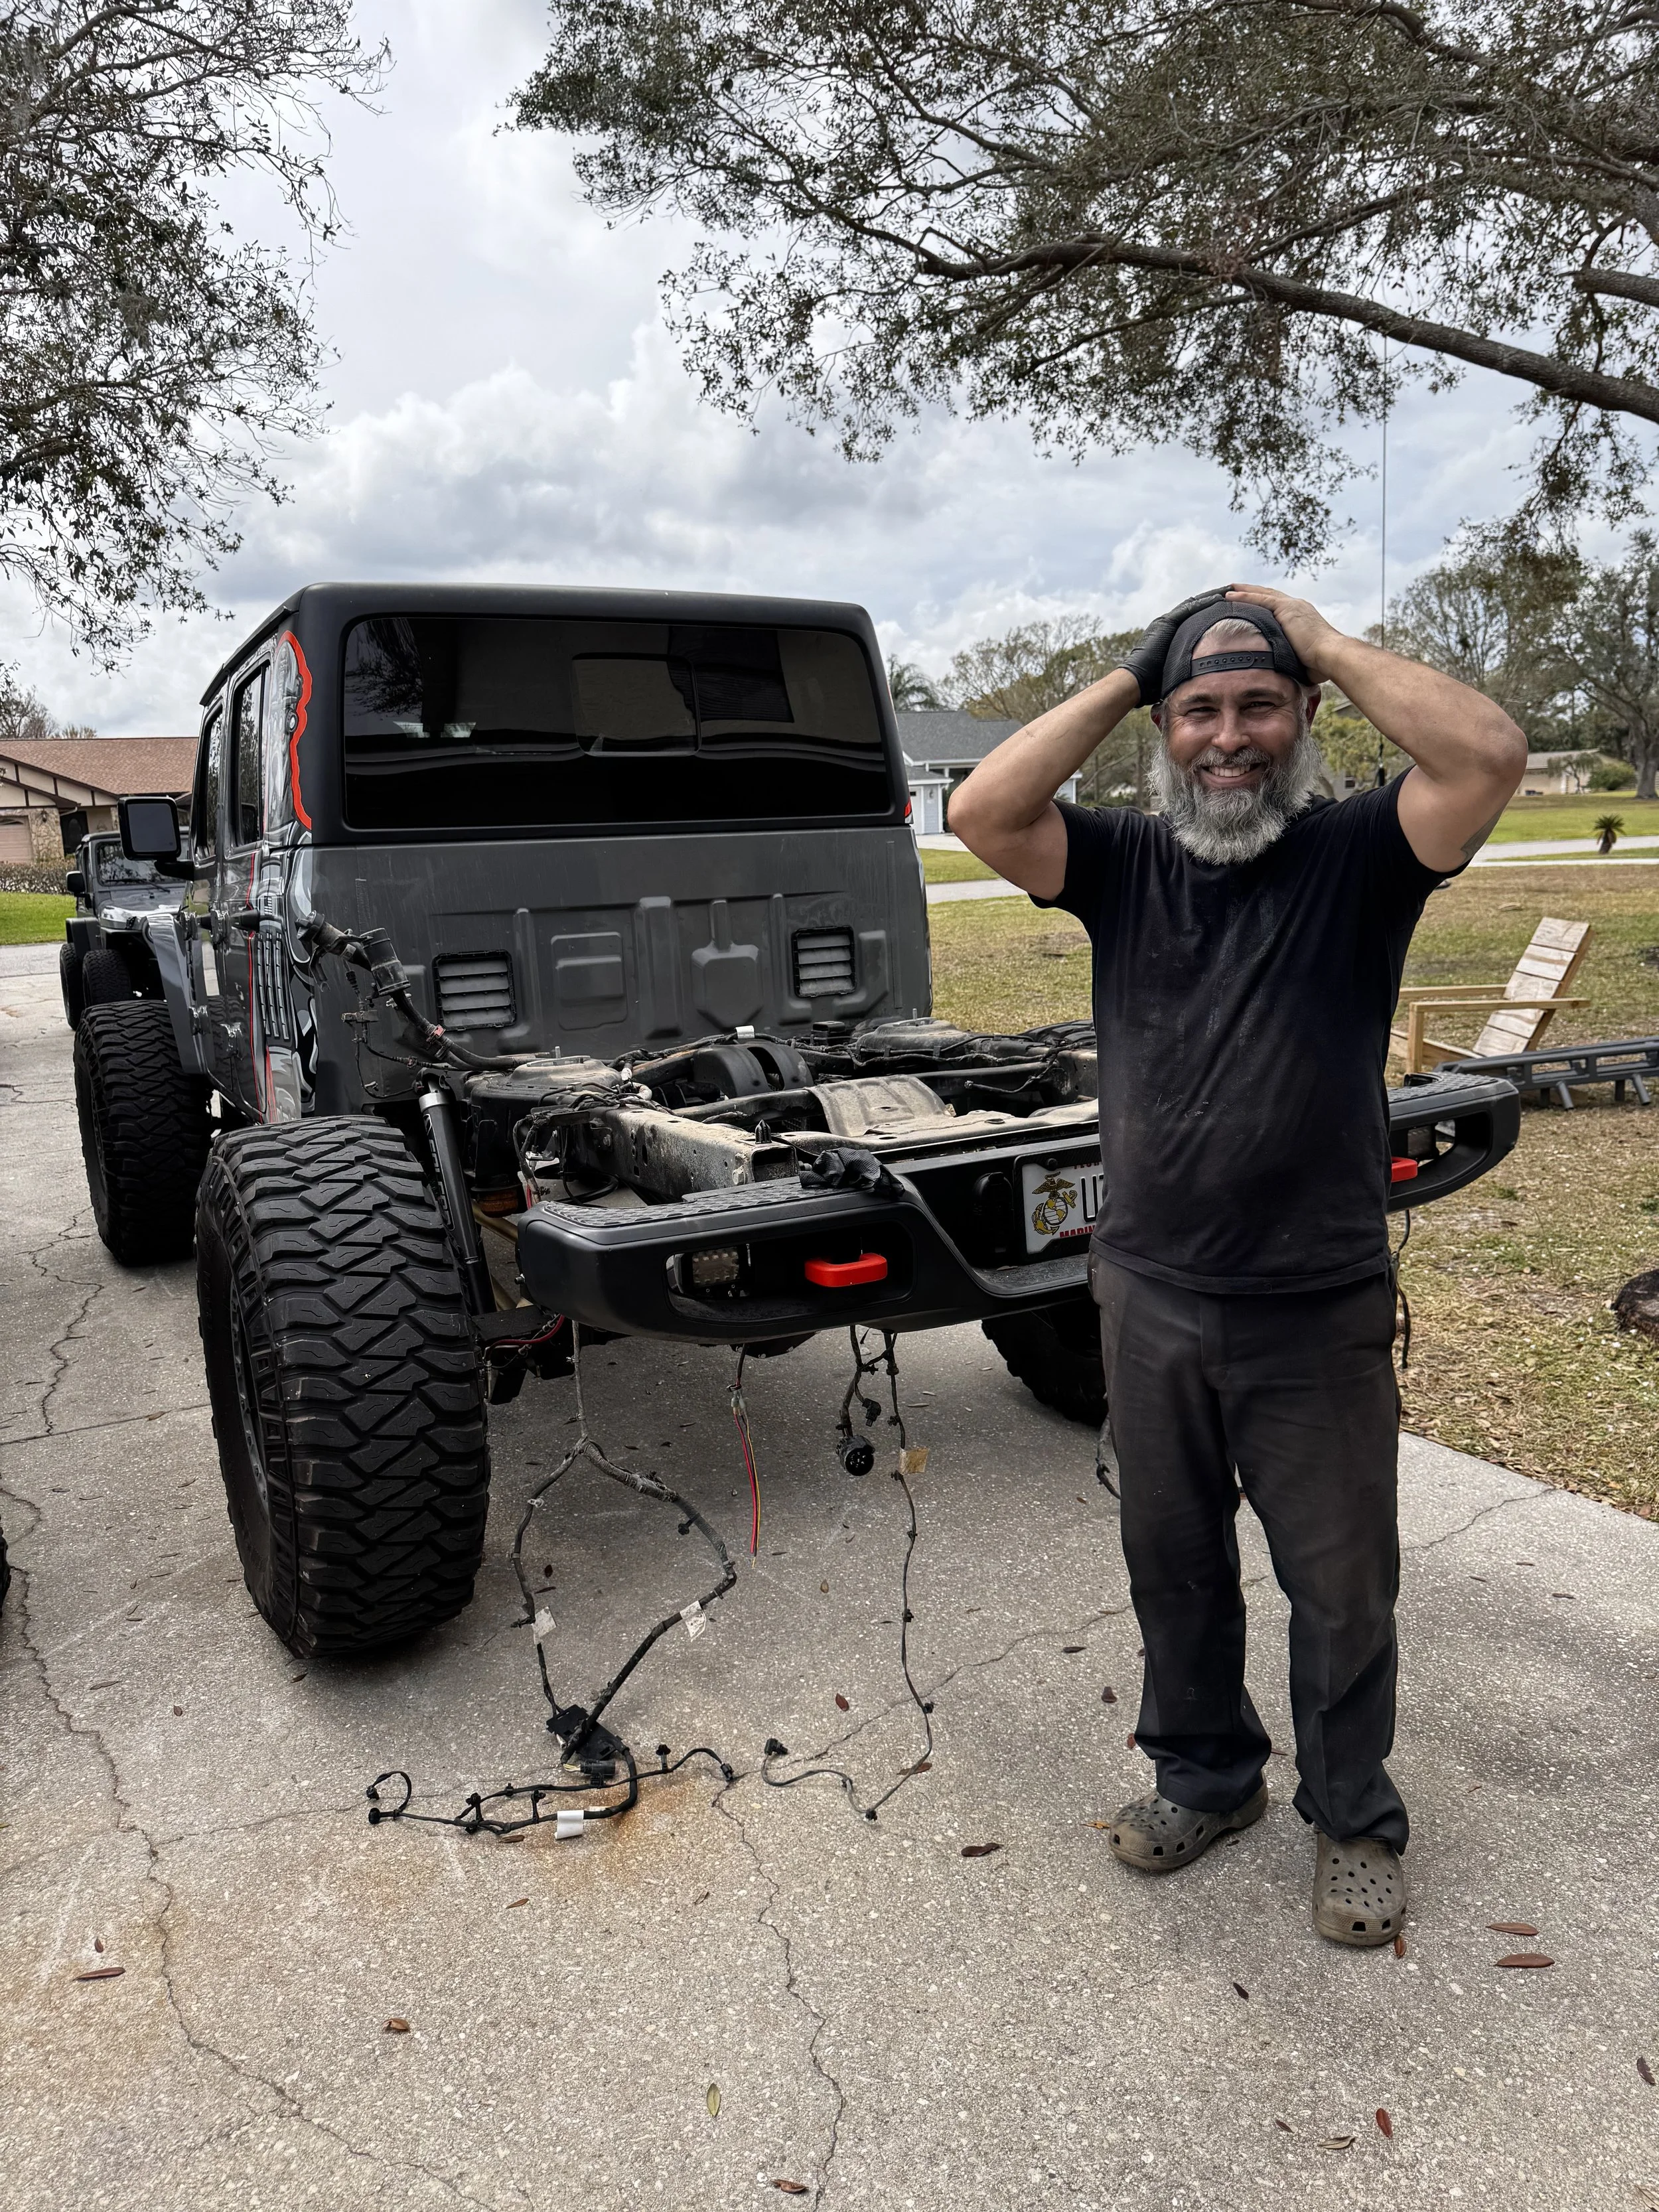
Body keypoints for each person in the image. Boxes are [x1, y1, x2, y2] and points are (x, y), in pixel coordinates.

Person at [948, 585, 1526, 1946]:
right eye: (1197, 710)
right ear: (1162, 730)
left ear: (1303, 716)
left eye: (1256, 704)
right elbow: (980, 811)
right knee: (1173, 1564)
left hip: (1311, 1303)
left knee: (1338, 1584)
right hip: (1146, 1292)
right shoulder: (1120, 861)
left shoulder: (1359, 855)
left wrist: (1313, 635)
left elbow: (1485, 756)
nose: (1227, 736)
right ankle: (1205, 1780)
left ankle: (1351, 1817)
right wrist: (1123, 671)